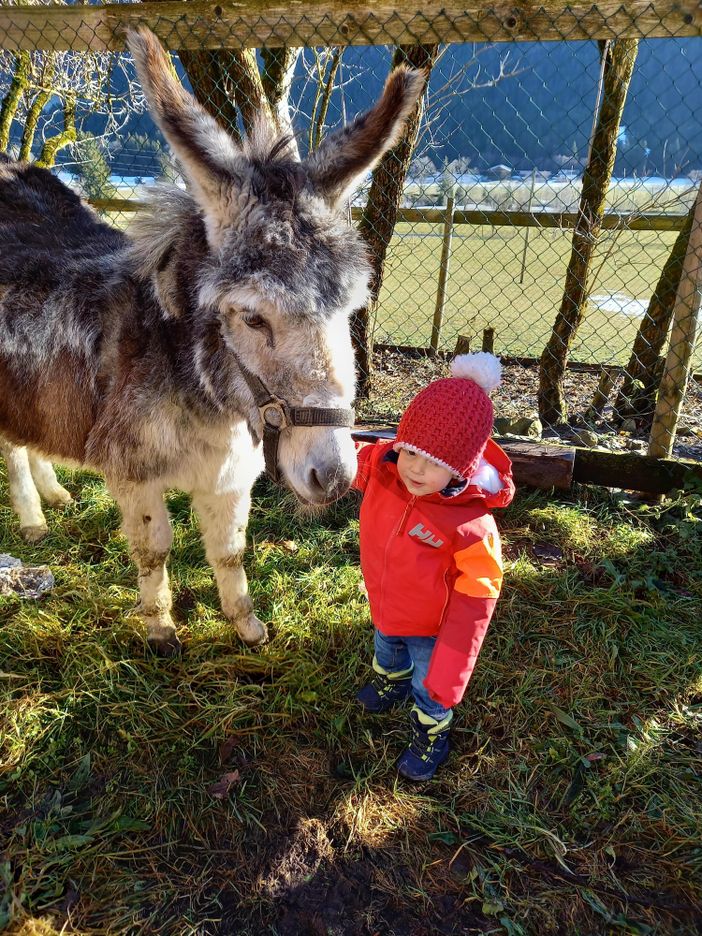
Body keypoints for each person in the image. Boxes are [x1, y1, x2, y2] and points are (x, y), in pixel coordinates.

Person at [352, 352, 514, 781]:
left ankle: (431, 732)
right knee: (386, 649)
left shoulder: (471, 526)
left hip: (433, 629)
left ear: (461, 469)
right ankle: (391, 680)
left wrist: (452, 666)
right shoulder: (385, 471)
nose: (416, 470)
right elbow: (346, 458)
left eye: (436, 463)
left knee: (432, 688)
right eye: (410, 452)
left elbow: (478, 599)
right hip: (387, 603)